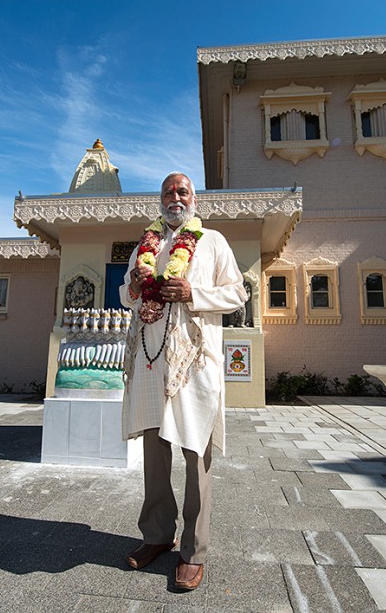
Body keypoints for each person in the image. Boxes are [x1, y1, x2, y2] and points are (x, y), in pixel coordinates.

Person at [120, 172, 247, 590]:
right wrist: (134, 285)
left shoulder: (212, 241)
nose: (175, 197)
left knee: (196, 455)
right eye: (168, 192)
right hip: (152, 361)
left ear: (194, 199)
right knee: (155, 456)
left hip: (194, 363)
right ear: (160, 200)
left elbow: (237, 295)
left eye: (182, 191)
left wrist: (194, 293)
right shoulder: (146, 244)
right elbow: (124, 293)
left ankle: (193, 551)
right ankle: (157, 536)